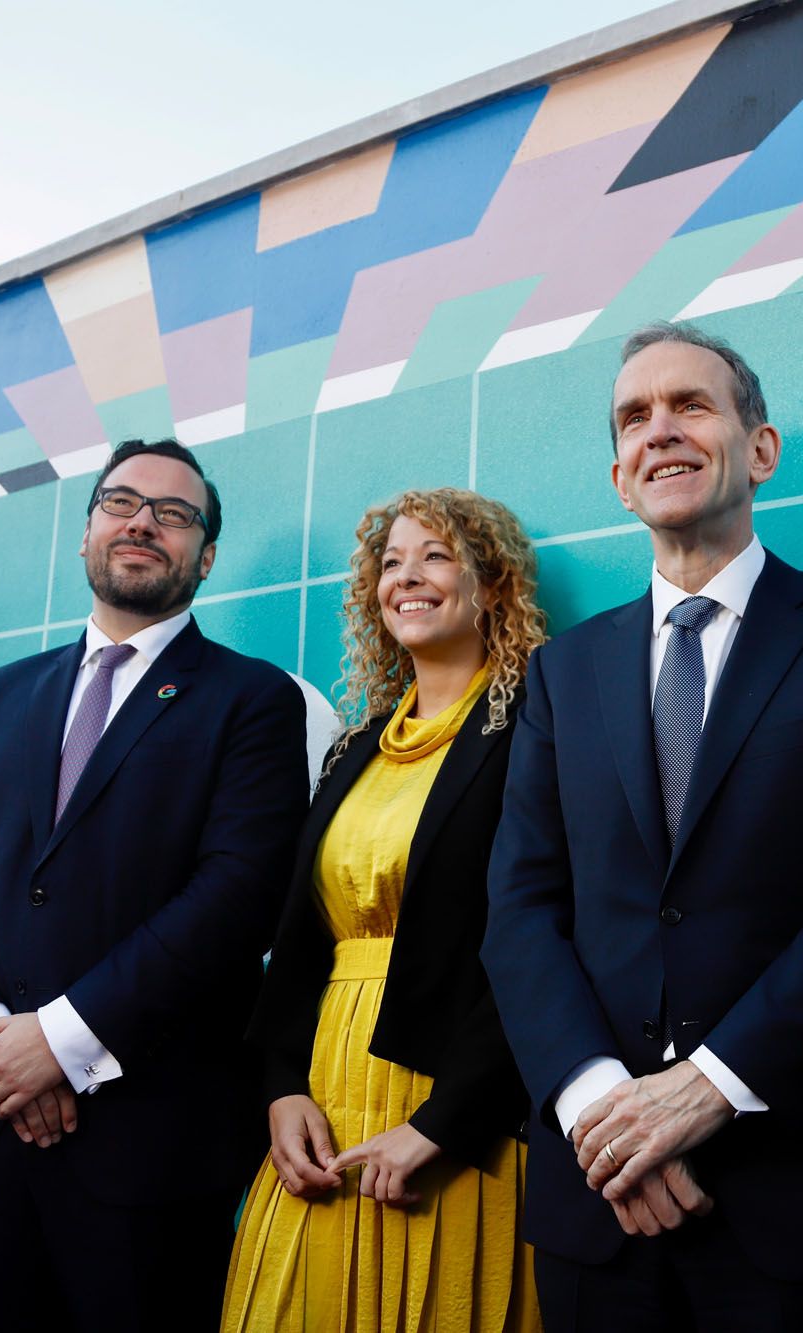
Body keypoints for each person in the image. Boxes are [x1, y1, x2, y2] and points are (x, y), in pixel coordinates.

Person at [481, 321, 803, 1330]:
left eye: (690, 405)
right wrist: (602, 1107)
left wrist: (705, 1091)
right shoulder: (563, 671)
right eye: (635, 416)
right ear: (617, 475)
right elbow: (520, 906)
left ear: (758, 449)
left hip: (784, 1190)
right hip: (597, 1196)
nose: (660, 430)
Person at [0, 438, 310, 1330]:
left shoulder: (253, 701)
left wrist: (65, 1039)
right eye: (121, 503)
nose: (143, 523)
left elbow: (238, 895)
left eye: (175, 513)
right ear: (86, 534)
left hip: (144, 1152)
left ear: (206, 555)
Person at [222, 488, 546, 1332]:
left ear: (493, 583)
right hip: (325, 1094)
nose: (408, 575)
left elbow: (542, 938)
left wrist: (447, 1122)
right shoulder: (352, 749)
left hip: (456, 1107)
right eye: (391, 561)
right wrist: (282, 1087)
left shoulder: (534, 733)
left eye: (436, 556)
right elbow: (301, 947)